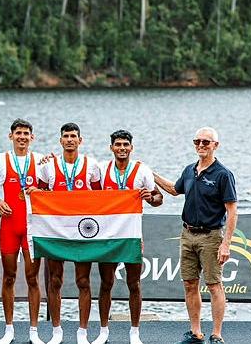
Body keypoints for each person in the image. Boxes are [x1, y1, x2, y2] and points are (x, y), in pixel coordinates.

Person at [154, 127, 237, 344]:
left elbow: (232, 210)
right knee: (190, 284)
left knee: (213, 285)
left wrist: (226, 243)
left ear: (215, 145)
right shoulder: (189, 170)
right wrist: (150, 174)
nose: (201, 145)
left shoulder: (223, 174)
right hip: (187, 234)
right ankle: (196, 332)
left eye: (206, 142)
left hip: (211, 237)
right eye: (197, 141)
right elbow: (174, 190)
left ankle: (217, 335)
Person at [93, 130, 163, 344]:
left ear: (131, 148)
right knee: (106, 284)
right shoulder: (101, 169)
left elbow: (159, 198)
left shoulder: (142, 170)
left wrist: (150, 197)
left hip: (131, 236)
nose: (122, 148)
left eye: (125, 144)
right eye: (118, 144)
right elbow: (88, 196)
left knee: (134, 284)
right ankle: (103, 331)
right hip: (107, 237)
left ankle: (134, 333)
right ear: (111, 148)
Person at [34, 122, 101, 344]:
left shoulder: (92, 165)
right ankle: (56, 331)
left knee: (83, 281)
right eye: (66, 136)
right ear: (60, 140)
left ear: (80, 140)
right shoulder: (48, 167)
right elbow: (39, 197)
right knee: (55, 281)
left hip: (82, 232)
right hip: (57, 232)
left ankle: (82, 332)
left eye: (74, 136)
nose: (70, 139)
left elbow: (101, 200)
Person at [0, 119, 46, 344]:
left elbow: (52, 188)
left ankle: (33, 331)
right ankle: (9, 328)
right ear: (10, 136)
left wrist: (39, 189)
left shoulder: (41, 160)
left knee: (32, 279)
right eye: (18, 133)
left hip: (32, 227)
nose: (22, 137)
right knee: (9, 277)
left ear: (32, 137)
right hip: (9, 226)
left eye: (26, 133)